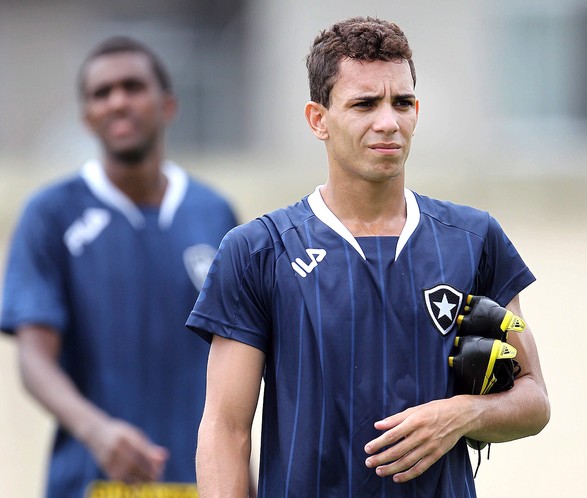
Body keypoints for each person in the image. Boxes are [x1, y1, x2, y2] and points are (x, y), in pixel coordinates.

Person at [187, 16, 550, 497]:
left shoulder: (474, 238)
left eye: (402, 103)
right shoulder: (257, 250)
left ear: (416, 110)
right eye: (364, 104)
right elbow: (225, 430)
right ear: (319, 119)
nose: (388, 122)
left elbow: (534, 399)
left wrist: (462, 414)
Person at [0, 37, 239, 498]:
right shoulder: (50, 214)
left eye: (133, 86)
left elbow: (239, 356)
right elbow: (34, 358)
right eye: (101, 93)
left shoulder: (214, 213)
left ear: (167, 104)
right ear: (87, 116)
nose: (118, 102)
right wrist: (96, 431)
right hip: (90, 481)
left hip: (201, 483)